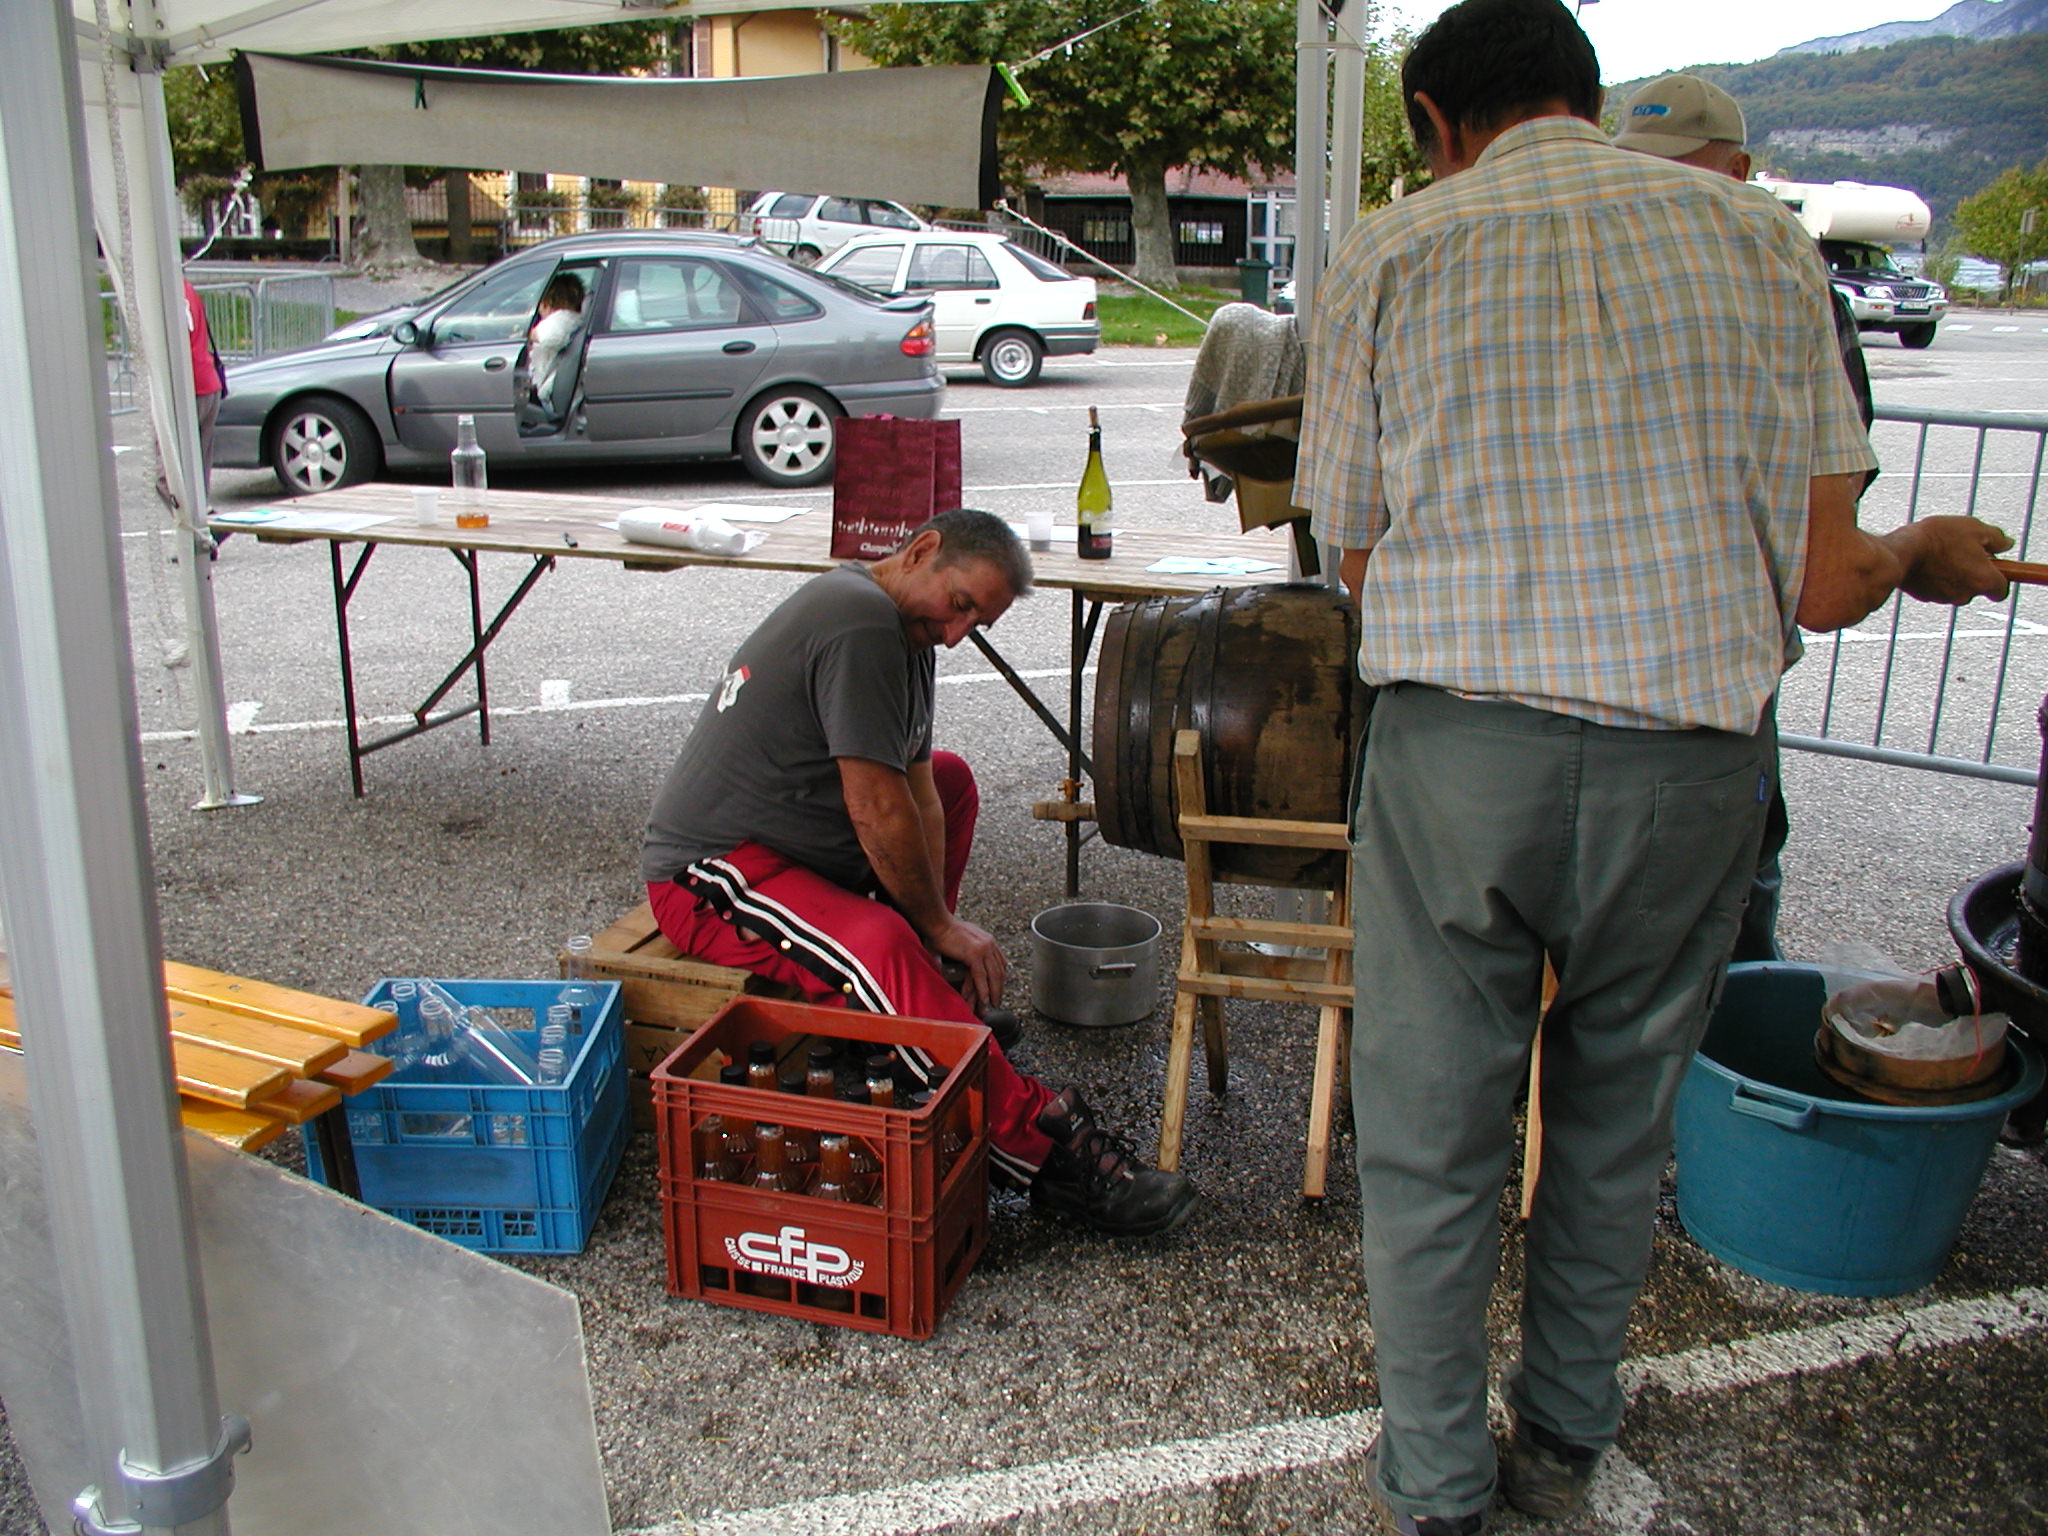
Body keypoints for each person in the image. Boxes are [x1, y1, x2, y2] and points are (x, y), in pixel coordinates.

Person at [1292, 4, 2012, 1533]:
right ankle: (1564, 1444)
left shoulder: (1391, 249)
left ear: (1436, 121)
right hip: (1688, 768)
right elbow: (1828, 581)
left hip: (1460, 758)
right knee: (1614, 1131)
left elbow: (1352, 553)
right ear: (1588, 93)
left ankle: (1439, 1488)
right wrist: (1921, 552)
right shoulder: (1763, 242)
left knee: (1431, 1143)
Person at [640, 507, 1198, 1238]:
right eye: (959, 603)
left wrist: (942, 936)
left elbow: (921, 788)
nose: (958, 632)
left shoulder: (903, 632)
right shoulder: (858, 620)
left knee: (954, 780)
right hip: (712, 873)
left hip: (795, 847)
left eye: (977, 622)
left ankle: (921, 1007)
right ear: (921, 550)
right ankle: (1043, 1155)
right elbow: (875, 806)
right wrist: (932, 924)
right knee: (878, 942)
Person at [1613, 71, 1878, 964]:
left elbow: (1825, 524)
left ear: (1739, 169)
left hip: (1694, 673)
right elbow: (1829, 559)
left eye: (1682, 165)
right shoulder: (1760, 270)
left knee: (1721, 898)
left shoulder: (1779, 272)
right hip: (1688, 682)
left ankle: (1736, 1011)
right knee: (1697, 914)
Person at [527, 272, 585, 411]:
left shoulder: (560, 319)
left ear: (548, 301)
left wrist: (528, 334)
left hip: (544, 395)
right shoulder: (573, 319)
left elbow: (550, 336)